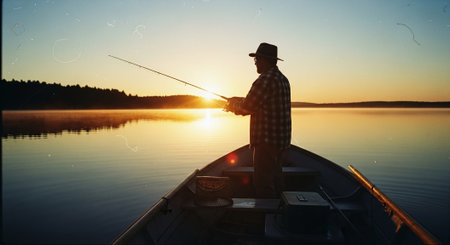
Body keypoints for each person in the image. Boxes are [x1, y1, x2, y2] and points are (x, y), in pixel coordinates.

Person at [225, 42, 291, 198]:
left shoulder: (264, 80)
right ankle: (279, 210)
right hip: (281, 141)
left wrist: (231, 106)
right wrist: (237, 99)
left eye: (256, 60)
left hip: (266, 141)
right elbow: (261, 101)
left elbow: (247, 107)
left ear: (263, 60)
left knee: (263, 182)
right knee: (276, 177)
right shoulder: (282, 79)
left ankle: (267, 214)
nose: (254, 63)